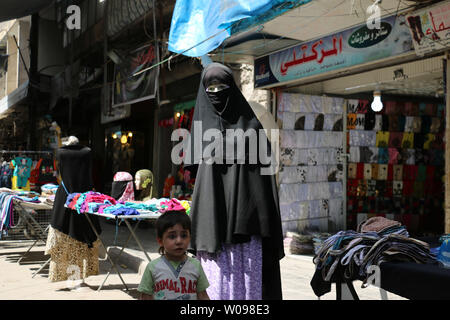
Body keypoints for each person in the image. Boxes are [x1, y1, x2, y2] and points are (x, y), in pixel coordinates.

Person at [185, 62, 284, 300]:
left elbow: (265, 182)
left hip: (247, 233)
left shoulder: (252, 127)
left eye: (223, 86)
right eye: (211, 88)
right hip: (213, 231)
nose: (217, 93)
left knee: (246, 293)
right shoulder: (201, 133)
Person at [45, 136, 101, 282]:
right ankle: (81, 273)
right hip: (84, 196)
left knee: (62, 233)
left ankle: (62, 274)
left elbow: (61, 173)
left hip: (65, 195)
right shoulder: (87, 152)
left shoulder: (60, 152)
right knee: (84, 231)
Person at [138, 210, 210, 300]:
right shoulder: (152, 268)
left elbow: (202, 295)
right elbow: (145, 296)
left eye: (184, 235)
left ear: (190, 238)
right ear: (160, 241)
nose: (179, 241)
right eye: (172, 236)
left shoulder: (196, 265)